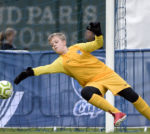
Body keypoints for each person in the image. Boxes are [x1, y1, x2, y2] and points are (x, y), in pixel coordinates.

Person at [14, 22, 150, 127]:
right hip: (94, 83)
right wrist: (28, 73)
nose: (54, 46)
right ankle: (117, 113)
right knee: (86, 92)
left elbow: (98, 44)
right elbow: (45, 68)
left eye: (56, 42)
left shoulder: (78, 48)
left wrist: (98, 33)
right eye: (51, 45)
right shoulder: (60, 63)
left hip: (108, 75)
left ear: (64, 42)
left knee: (133, 97)